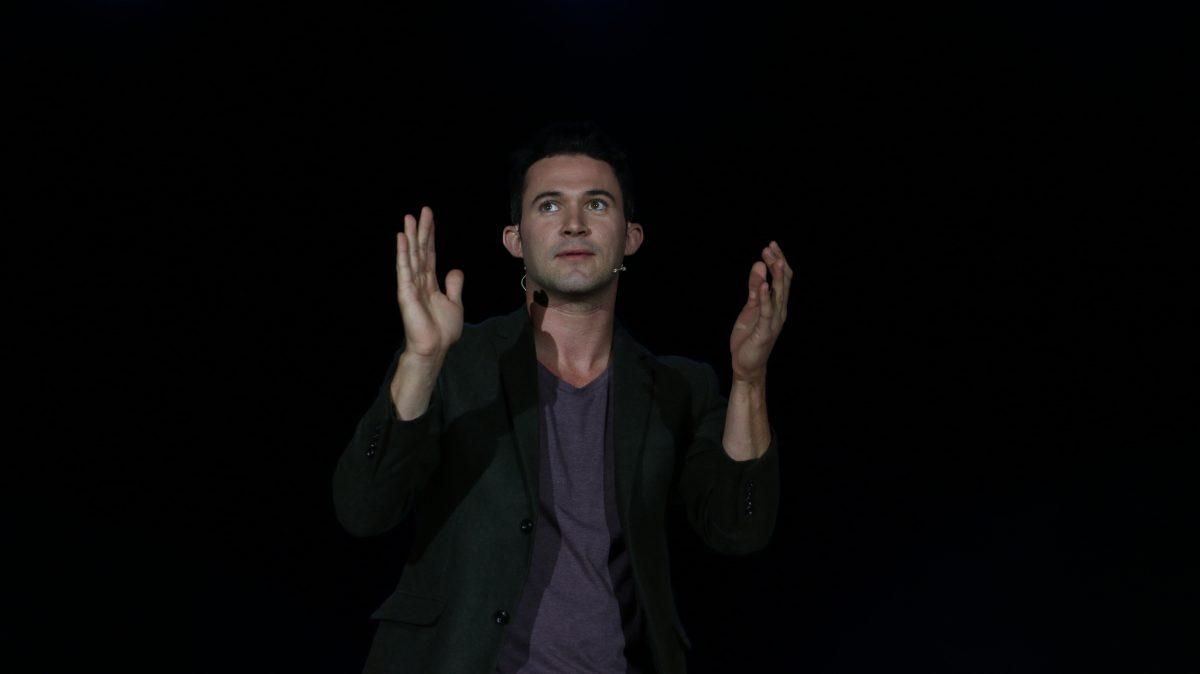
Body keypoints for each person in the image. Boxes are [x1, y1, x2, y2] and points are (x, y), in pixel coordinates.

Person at [333, 121, 791, 674]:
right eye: (549, 206)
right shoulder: (458, 362)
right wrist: (422, 361)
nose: (574, 224)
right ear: (515, 239)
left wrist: (748, 380)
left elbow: (739, 529)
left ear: (631, 236)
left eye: (597, 204)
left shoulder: (678, 388)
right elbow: (363, 509)